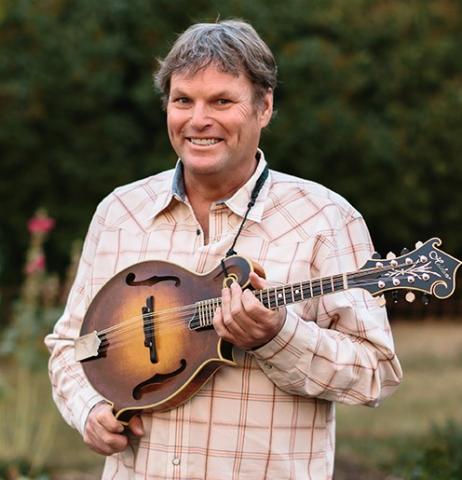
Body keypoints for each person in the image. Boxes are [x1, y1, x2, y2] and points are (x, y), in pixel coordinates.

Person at [45, 19, 402, 479]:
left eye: (222, 101)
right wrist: (89, 409)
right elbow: (72, 346)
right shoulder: (120, 213)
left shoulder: (327, 220)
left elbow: (375, 372)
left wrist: (278, 338)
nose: (198, 120)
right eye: (183, 101)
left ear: (264, 107)